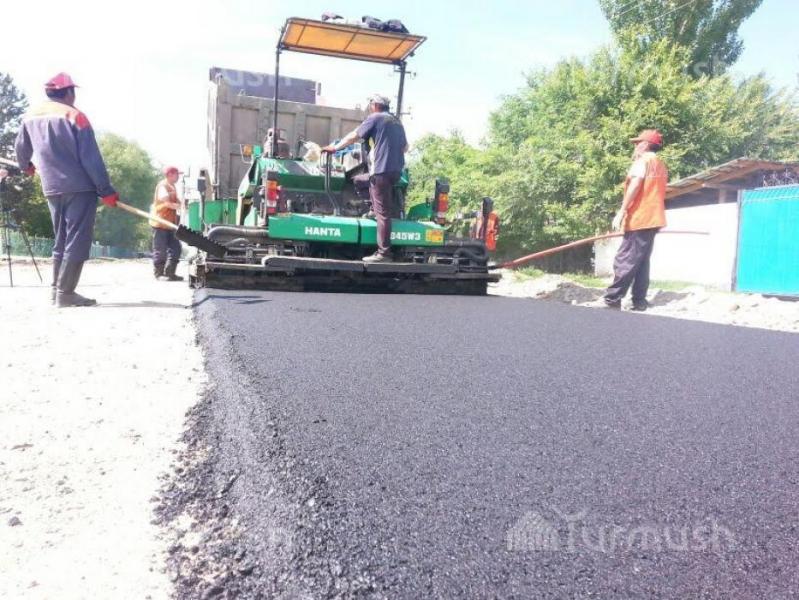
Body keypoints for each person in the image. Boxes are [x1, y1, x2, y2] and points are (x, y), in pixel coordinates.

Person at [15, 73, 118, 308]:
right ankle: (66, 293)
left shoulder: (30, 116)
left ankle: (56, 290)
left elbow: (21, 148)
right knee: (76, 241)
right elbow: (91, 158)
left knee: (60, 240)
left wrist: (26, 166)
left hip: (51, 188)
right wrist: (106, 190)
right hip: (80, 187)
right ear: (69, 92)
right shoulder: (75, 116)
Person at [322, 94, 408, 262]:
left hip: (381, 171)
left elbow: (354, 136)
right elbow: (405, 147)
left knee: (383, 214)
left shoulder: (375, 118)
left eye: (370, 105)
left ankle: (383, 253)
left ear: (375, 105)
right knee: (359, 180)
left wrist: (335, 148)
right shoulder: (397, 122)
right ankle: (372, 208)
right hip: (395, 172)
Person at [600, 129, 668, 311]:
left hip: (641, 217)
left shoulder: (642, 162)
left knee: (626, 258)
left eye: (638, 143)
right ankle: (639, 301)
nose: (635, 146)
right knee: (642, 261)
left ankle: (612, 299)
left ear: (645, 145)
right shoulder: (660, 164)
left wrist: (622, 211)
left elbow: (636, 185)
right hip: (654, 218)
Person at [150, 166, 184, 281]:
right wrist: (179, 206)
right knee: (160, 250)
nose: (178, 177)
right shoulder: (162, 186)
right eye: (176, 174)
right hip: (160, 223)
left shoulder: (172, 186)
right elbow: (167, 203)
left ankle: (170, 273)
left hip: (170, 224)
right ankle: (159, 274)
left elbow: (175, 201)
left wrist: (181, 204)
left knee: (176, 248)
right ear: (170, 174)